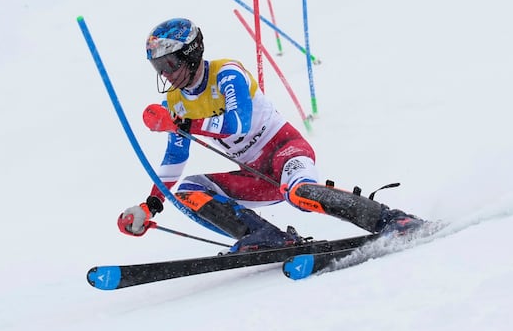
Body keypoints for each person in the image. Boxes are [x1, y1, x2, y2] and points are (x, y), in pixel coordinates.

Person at [118, 18, 423, 252]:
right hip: (255, 177)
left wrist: (184, 125)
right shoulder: (176, 103)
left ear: (191, 54)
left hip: (285, 151)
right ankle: (265, 238)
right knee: (186, 191)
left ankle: (393, 219)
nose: (165, 74)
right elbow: (175, 156)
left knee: (299, 193)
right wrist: (151, 205)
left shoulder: (227, 74)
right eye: (158, 66)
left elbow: (238, 123)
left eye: (169, 63)